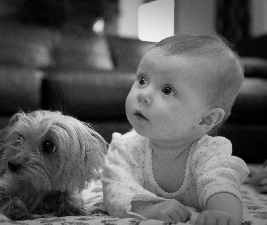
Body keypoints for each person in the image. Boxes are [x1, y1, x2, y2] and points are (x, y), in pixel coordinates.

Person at [101, 34, 250, 225]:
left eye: (167, 90)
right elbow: (115, 189)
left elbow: (222, 182)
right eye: (142, 80)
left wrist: (222, 213)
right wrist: (149, 208)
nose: (143, 94)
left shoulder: (209, 153)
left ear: (205, 119)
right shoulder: (126, 147)